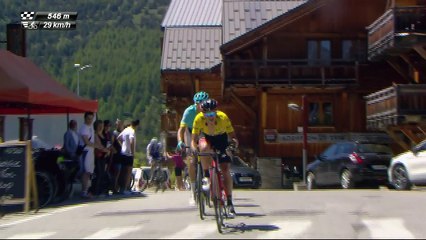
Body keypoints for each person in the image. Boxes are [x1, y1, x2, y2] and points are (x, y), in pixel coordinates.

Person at [191, 98, 239, 217]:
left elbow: (233, 136)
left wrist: (233, 145)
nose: (210, 116)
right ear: (202, 113)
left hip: (221, 139)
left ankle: (229, 200)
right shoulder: (199, 119)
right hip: (207, 138)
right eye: (207, 114)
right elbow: (193, 140)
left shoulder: (223, 118)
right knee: (203, 148)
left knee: (225, 169)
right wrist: (194, 149)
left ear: (216, 112)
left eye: (212, 113)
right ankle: (206, 176)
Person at [176, 91, 209, 204]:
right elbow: (181, 129)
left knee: (207, 151)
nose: (200, 106)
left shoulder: (209, 110)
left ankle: (209, 178)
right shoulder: (189, 111)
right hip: (190, 132)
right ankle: (194, 190)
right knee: (191, 159)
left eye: (202, 103)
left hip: (203, 131)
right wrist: (180, 141)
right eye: (198, 104)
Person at [117, 119, 140, 195]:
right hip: (129, 154)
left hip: (123, 153)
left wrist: (123, 145)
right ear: (136, 125)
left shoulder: (126, 129)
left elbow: (119, 138)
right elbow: (131, 141)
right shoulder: (132, 131)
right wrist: (132, 152)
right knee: (128, 172)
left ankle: (121, 188)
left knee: (123, 171)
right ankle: (126, 188)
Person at [79, 112, 96, 199]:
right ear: (85, 118)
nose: (90, 120)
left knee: (89, 171)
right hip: (85, 151)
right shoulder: (84, 128)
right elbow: (86, 141)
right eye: (88, 118)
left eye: (91, 118)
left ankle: (86, 190)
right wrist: (96, 145)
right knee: (85, 172)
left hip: (90, 151)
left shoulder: (91, 127)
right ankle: (83, 191)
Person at [110, 118, 124, 194]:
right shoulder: (114, 133)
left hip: (122, 155)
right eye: (117, 124)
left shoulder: (123, 132)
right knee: (116, 172)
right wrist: (113, 150)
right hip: (116, 155)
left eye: (120, 124)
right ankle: (114, 188)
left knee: (120, 172)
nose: (119, 125)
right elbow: (111, 143)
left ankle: (117, 186)